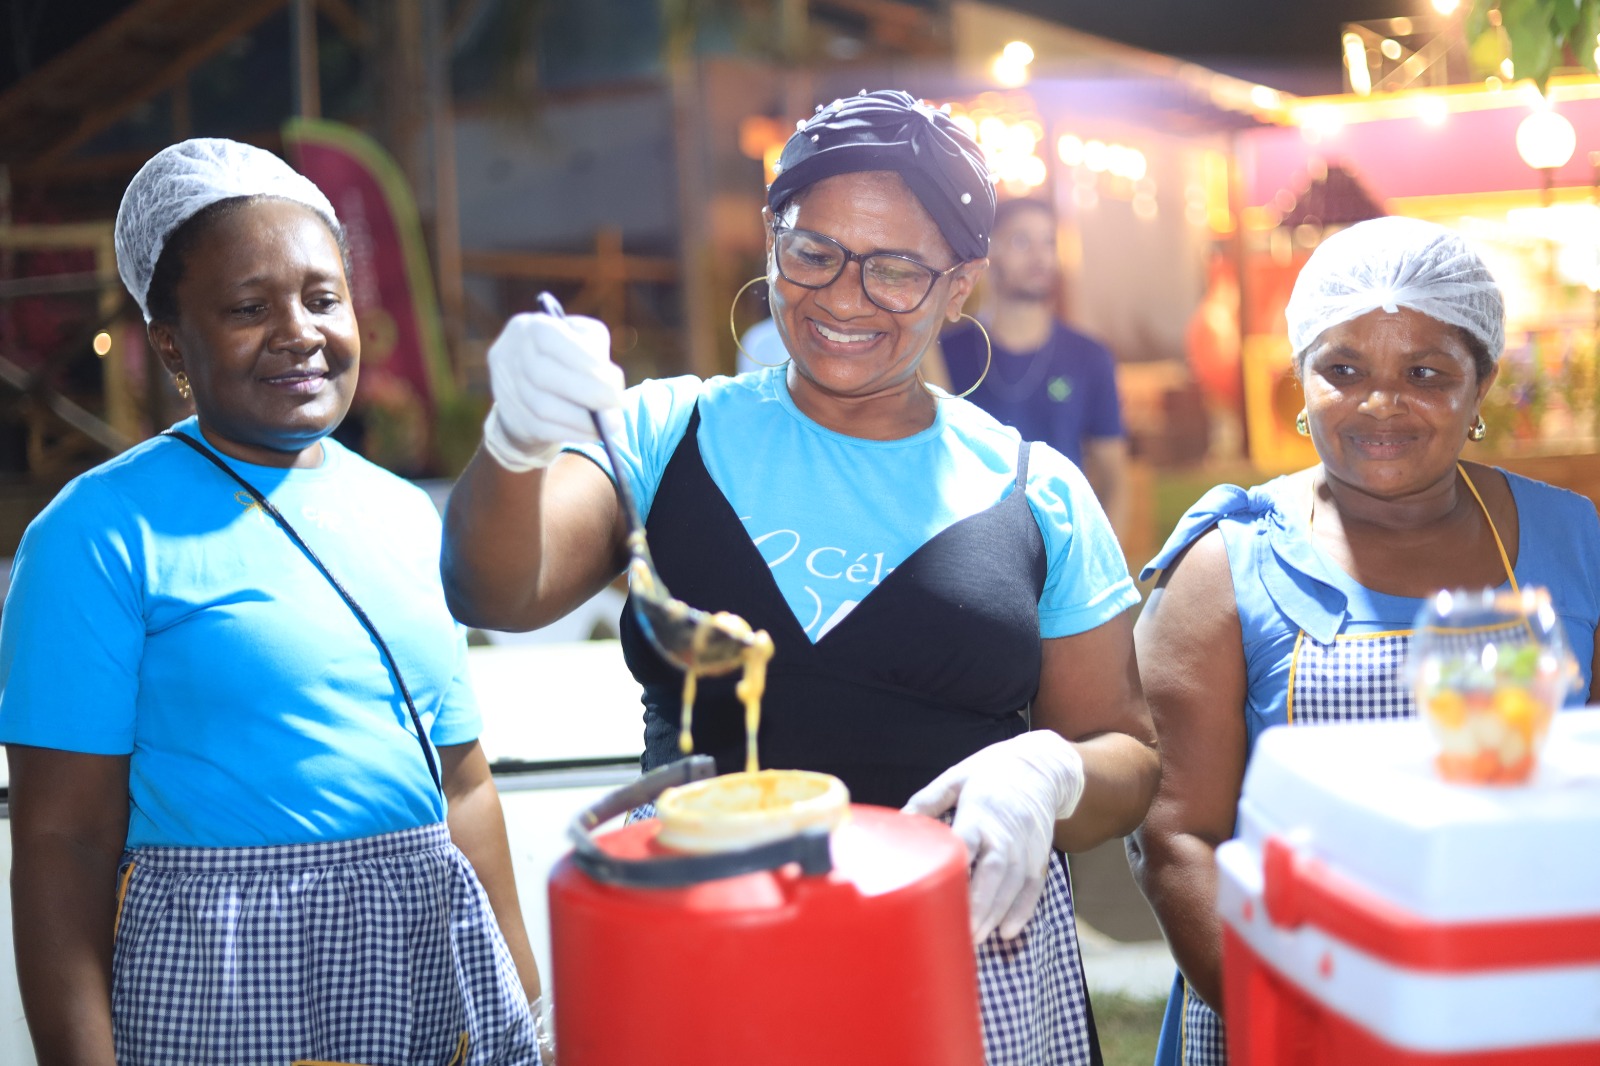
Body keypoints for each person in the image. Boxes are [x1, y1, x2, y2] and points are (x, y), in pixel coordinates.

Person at [442, 89, 1160, 1065]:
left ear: (961, 286)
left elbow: (1127, 754)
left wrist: (1051, 771)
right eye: (813, 251)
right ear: (772, 239)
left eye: (895, 270)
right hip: (700, 940)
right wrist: (515, 443)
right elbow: (495, 588)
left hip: (954, 953)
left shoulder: (1035, 490)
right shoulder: (668, 431)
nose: (842, 298)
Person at [0, 139, 545, 1065]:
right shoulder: (96, 534)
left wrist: (532, 1020)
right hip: (224, 986)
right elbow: (64, 842)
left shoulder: (405, 513)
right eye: (250, 308)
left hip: (426, 976)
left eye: (323, 298)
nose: (300, 332)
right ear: (171, 343)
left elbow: (463, 789)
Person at [1129, 215, 1600, 1066]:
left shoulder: (1573, 539)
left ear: (1481, 384)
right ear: (1301, 378)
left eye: (1426, 373)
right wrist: (1310, 1026)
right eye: (1343, 370)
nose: (1382, 403)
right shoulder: (1226, 564)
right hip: (1289, 1004)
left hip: (1526, 990)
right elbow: (1175, 840)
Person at [940, 197, 1129, 536]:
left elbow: (1115, 481)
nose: (1040, 257)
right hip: (970, 545)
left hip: (1061, 547)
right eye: (1021, 241)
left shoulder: (1090, 357)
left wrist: (1099, 560)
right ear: (987, 253)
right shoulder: (944, 353)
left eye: (1049, 242)